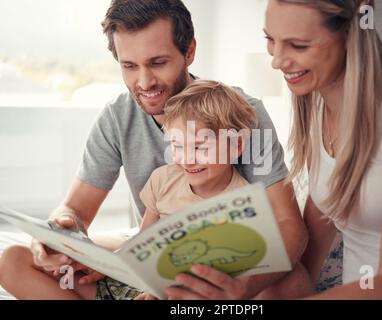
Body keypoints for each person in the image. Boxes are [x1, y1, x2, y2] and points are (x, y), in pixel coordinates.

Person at [0, 0, 309, 300]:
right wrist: (58, 234)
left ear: (189, 52)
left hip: (216, 263)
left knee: (291, 282)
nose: (144, 82)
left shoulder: (241, 113)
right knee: (14, 260)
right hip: (152, 254)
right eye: (129, 66)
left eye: (157, 63)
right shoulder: (117, 117)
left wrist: (241, 289)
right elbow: (75, 211)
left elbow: (289, 227)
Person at [263, 0, 382, 299]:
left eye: (298, 45)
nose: (277, 61)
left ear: (350, 35)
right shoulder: (315, 102)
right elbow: (324, 212)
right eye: (270, 39)